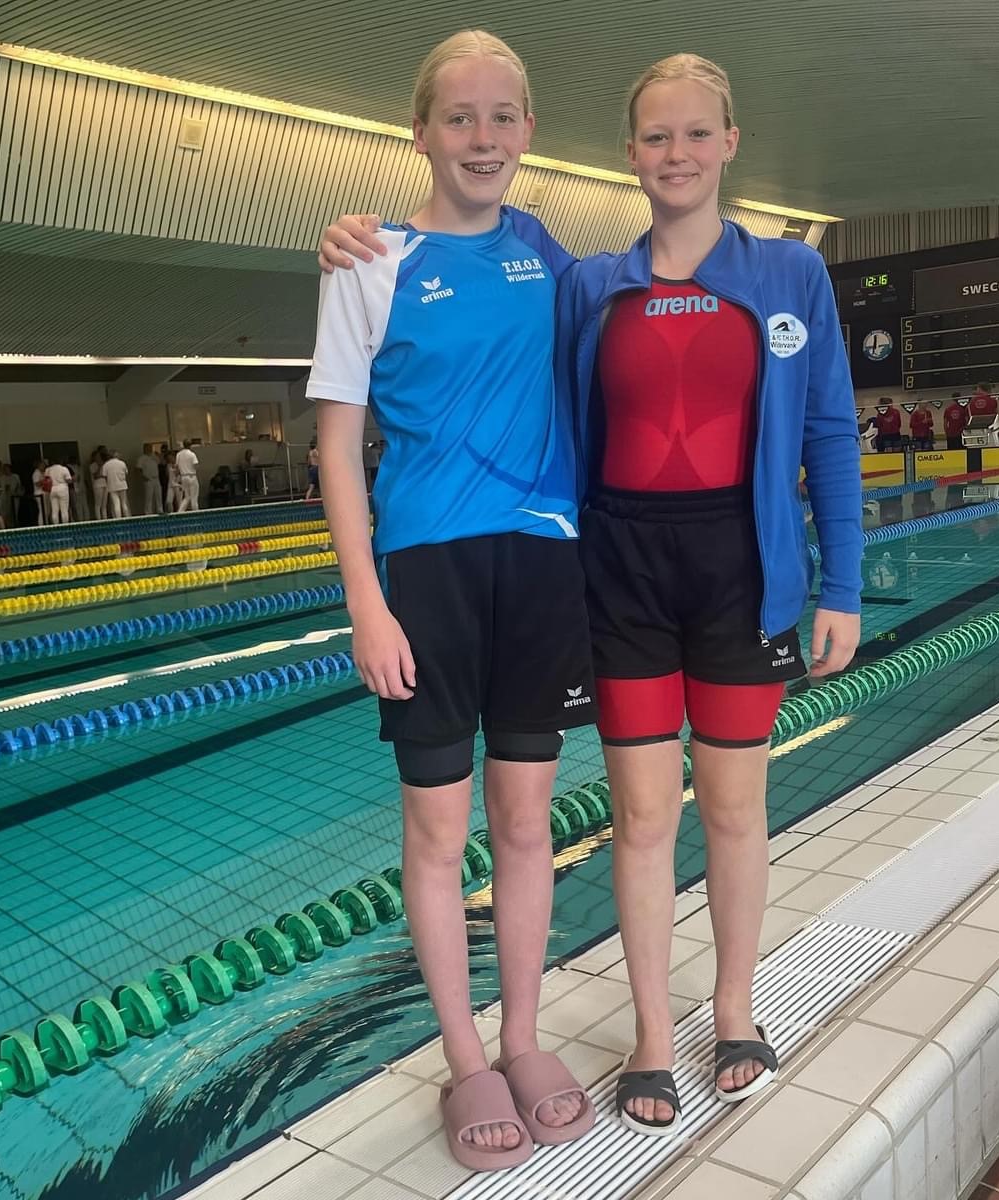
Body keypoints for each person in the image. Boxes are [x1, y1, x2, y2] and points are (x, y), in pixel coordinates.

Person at [321, 49, 862, 1136]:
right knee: (621, 818)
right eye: (657, 136)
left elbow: (828, 428)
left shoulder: (748, 272)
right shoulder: (562, 279)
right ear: (630, 154)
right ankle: (614, 1041)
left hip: (694, 569)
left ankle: (712, 1015)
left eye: (697, 133)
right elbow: (363, 422)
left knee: (700, 810)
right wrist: (346, 235)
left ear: (730, 142)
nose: (677, 153)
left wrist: (842, 577)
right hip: (583, 572)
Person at [307, 30, 597, 1172]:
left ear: (529, 130)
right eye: (461, 117)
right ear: (420, 132)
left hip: (542, 563)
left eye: (503, 116)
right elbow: (337, 449)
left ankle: (523, 1038)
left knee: (525, 824)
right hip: (425, 574)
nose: (484, 137)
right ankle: (465, 1055)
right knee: (438, 832)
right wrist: (366, 605)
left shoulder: (546, 253)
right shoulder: (368, 261)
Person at [44, 458, 73, 524]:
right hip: (62, 488)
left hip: (52, 489)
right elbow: (69, 480)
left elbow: (46, 479)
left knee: (54, 510)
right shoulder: (63, 469)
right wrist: (72, 480)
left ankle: (55, 525)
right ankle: (65, 525)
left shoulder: (47, 470)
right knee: (64, 510)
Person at [102, 449, 130, 517]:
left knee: (116, 504)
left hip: (112, 485)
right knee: (124, 503)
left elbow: (104, 476)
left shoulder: (106, 465)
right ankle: (127, 517)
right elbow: (126, 473)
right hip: (122, 485)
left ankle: (118, 518)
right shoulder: (122, 463)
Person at [137, 447, 163, 514]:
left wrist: (158, 455)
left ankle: (160, 510)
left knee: (158, 495)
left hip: (156, 478)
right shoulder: (141, 458)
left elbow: (161, 462)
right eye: (148, 448)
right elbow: (138, 469)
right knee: (149, 496)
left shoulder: (154, 457)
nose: (150, 450)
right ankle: (148, 512)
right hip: (148, 479)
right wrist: (143, 477)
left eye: (150, 448)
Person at [175, 441, 200, 511]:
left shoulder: (178, 454)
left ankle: (180, 512)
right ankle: (196, 513)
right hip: (191, 476)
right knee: (194, 498)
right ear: (190, 446)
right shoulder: (192, 454)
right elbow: (196, 466)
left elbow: (177, 468)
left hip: (183, 477)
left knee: (187, 497)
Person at [90, 449, 108, 519]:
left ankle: (105, 519)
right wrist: (100, 466)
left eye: (99, 456)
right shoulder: (93, 465)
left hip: (105, 484)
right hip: (98, 485)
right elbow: (96, 476)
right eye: (97, 456)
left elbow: (106, 475)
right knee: (98, 504)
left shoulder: (104, 464)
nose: (98, 457)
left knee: (104, 504)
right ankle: (99, 519)